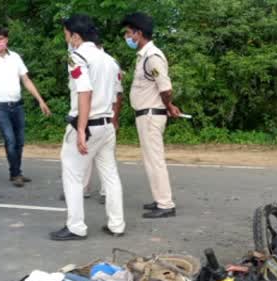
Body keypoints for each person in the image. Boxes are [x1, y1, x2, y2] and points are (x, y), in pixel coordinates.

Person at [50, 15, 125, 241]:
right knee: (110, 175)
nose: (67, 40)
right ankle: (116, 224)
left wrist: (81, 129)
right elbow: (115, 96)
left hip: (88, 124)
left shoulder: (77, 57)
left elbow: (85, 92)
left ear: (76, 36)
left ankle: (76, 227)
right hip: (106, 124)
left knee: (72, 175)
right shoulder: (110, 61)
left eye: (67, 35)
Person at [0, 26, 51, 187]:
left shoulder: (15, 57)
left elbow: (26, 80)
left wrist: (40, 100)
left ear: (6, 40)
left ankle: (16, 171)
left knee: (20, 140)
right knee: (10, 138)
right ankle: (15, 174)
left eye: (0, 38)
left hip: (17, 105)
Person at [121, 12, 181, 219]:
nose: (126, 37)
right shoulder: (144, 56)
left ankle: (165, 204)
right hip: (146, 115)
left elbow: (165, 88)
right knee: (150, 160)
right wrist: (169, 105)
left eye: (128, 33)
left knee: (155, 160)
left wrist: (169, 104)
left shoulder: (152, 57)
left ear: (138, 33)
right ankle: (160, 199)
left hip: (150, 115)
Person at [82, 33, 124, 205]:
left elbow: (118, 93)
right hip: (100, 117)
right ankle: (85, 188)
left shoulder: (106, 62)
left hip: (97, 116)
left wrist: (115, 117)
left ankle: (100, 191)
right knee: (101, 160)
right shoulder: (108, 61)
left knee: (88, 156)